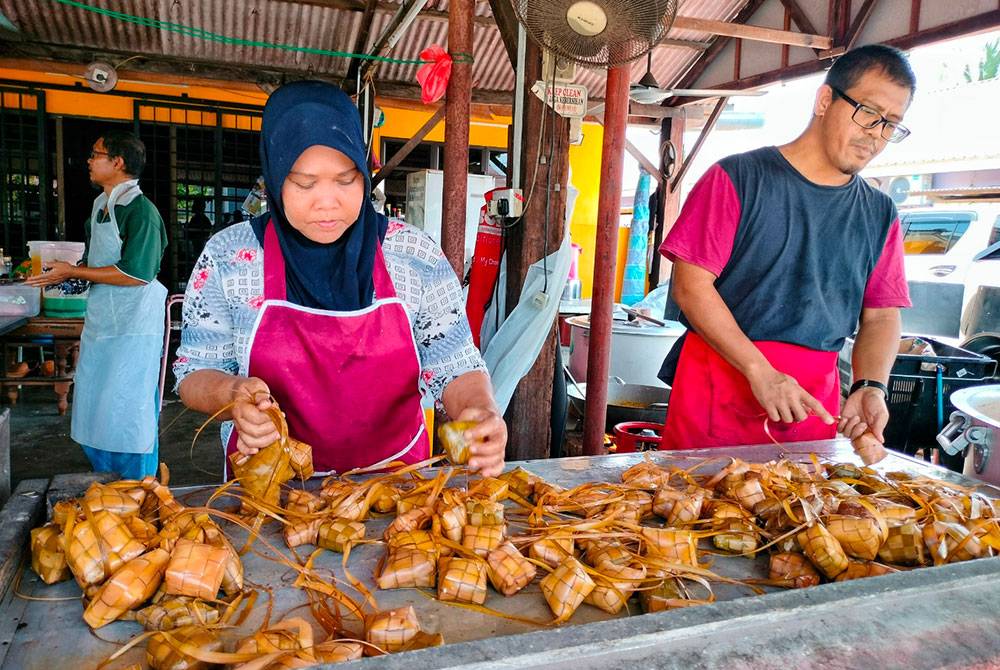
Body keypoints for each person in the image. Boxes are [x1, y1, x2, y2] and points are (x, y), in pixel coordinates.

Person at [173, 80, 507, 477]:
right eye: (305, 183)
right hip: (270, 491)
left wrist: (481, 413)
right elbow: (193, 372)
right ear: (275, 177)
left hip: (397, 487)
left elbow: (454, 364)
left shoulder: (412, 255)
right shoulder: (229, 257)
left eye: (346, 180)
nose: (327, 202)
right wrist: (230, 394)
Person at [658, 44, 914, 450]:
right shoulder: (738, 177)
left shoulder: (880, 213)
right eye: (868, 112)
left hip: (810, 404)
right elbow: (691, 287)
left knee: (799, 509)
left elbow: (882, 317)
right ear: (825, 100)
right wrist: (760, 371)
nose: (875, 134)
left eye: (891, 125)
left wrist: (871, 385)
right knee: (693, 510)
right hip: (720, 387)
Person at [27, 130, 168, 478]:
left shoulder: (141, 211)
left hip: (134, 326)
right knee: (98, 403)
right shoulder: (101, 208)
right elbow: (95, 266)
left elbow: (138, 273)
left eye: (96, 154)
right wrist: (65, 275)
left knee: (129, 407)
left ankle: (140, 485)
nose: (89, 161)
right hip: (105, 321)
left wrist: (78, 270)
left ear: (117, 162)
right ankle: (105, 480)